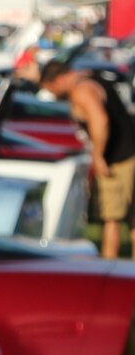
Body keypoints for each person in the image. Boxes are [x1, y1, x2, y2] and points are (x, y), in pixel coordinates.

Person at [40, 60, 135, 259]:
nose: (53, 94)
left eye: (51, 89)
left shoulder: (81, 91)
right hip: (130, 150)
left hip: (118, 158)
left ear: (59, 79)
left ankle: (109, 265)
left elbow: (100, 120)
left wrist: (98, 156)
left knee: (112, 218)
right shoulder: (90, 77)